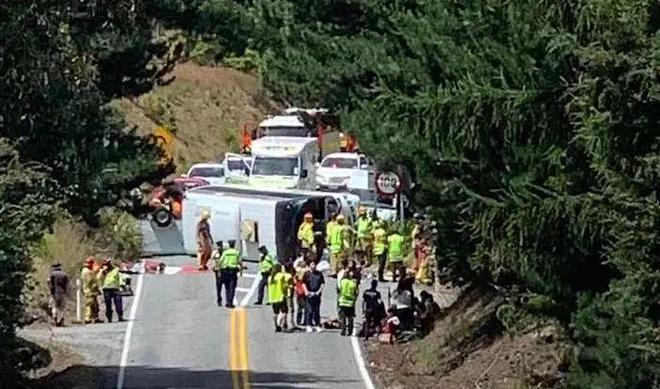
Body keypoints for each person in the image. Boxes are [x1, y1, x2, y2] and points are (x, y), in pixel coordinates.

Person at [218, 240, 242, 308]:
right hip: (233, 271)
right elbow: (240, 262)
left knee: (227, 287)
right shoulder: (236, 252)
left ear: (229, 245)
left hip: (225, 271)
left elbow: (220, 262)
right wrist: (241, 271)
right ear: (234, 245)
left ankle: (228, 302)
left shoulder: (225, 252)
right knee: (232, 287)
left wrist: (219, 271)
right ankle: (230, 302)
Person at [303, 260, 325, 332]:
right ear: (309, 266)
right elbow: (303, 283)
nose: (314, 266)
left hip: (317, 294)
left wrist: (319, 291)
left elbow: (322, 283)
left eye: (314, 264)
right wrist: (306, 291)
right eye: (312, 264)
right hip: (309, 294)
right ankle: (309, 325)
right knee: (309, 310)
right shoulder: (306, 274)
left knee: (317, 310)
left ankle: (317, 325)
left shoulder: (319, 274)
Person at [81, 257, 101, 324]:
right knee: (90, 305)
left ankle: (95, 317)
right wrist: (96, 289)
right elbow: (91, 281)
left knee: (94, 305)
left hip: (86, 290)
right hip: (90, 291)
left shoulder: (84, 270)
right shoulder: (88, 272)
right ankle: (88, 318)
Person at [338, 269, 359, 336]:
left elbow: (339, 289)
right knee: (350, 318)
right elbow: (356, 292)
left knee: (343, 318)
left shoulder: (342, 281)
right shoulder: (354, 283)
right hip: (350, 302)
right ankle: (350, 331)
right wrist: (354, 299)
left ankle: (343, 331)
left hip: (343, 302)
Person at [268, 263, 287, 332]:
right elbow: (284, 285)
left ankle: (276, 324)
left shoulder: (270, 278)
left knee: (275, 312)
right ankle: (279, 324)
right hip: (280, 296)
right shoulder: (281, 276)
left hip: (273, 297)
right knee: (283, 312)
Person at [294, 258, 310, 328]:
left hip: (299, 292)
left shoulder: (296, 274)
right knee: (306, 307)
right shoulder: (305, 274)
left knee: (300, 307)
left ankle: (298, 320)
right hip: (303, 292)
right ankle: (305, 320)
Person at [283, 263, 296, 330]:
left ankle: (284, 323)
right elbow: (292, 285)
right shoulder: (289, 276)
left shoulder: (283, 275)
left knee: (284, 309)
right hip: (289, 294)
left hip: (283, 294)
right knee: (290, 309)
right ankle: (290, 324)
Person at [212, 241, 224, 306]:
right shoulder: (215, 252)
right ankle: (219, 298)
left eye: (220, 246)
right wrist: (216, 252)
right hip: (218, 270)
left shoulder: (224, 252)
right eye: (218, 246)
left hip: (224, 270)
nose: (219, 247)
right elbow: (212, 257)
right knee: (218, 285)